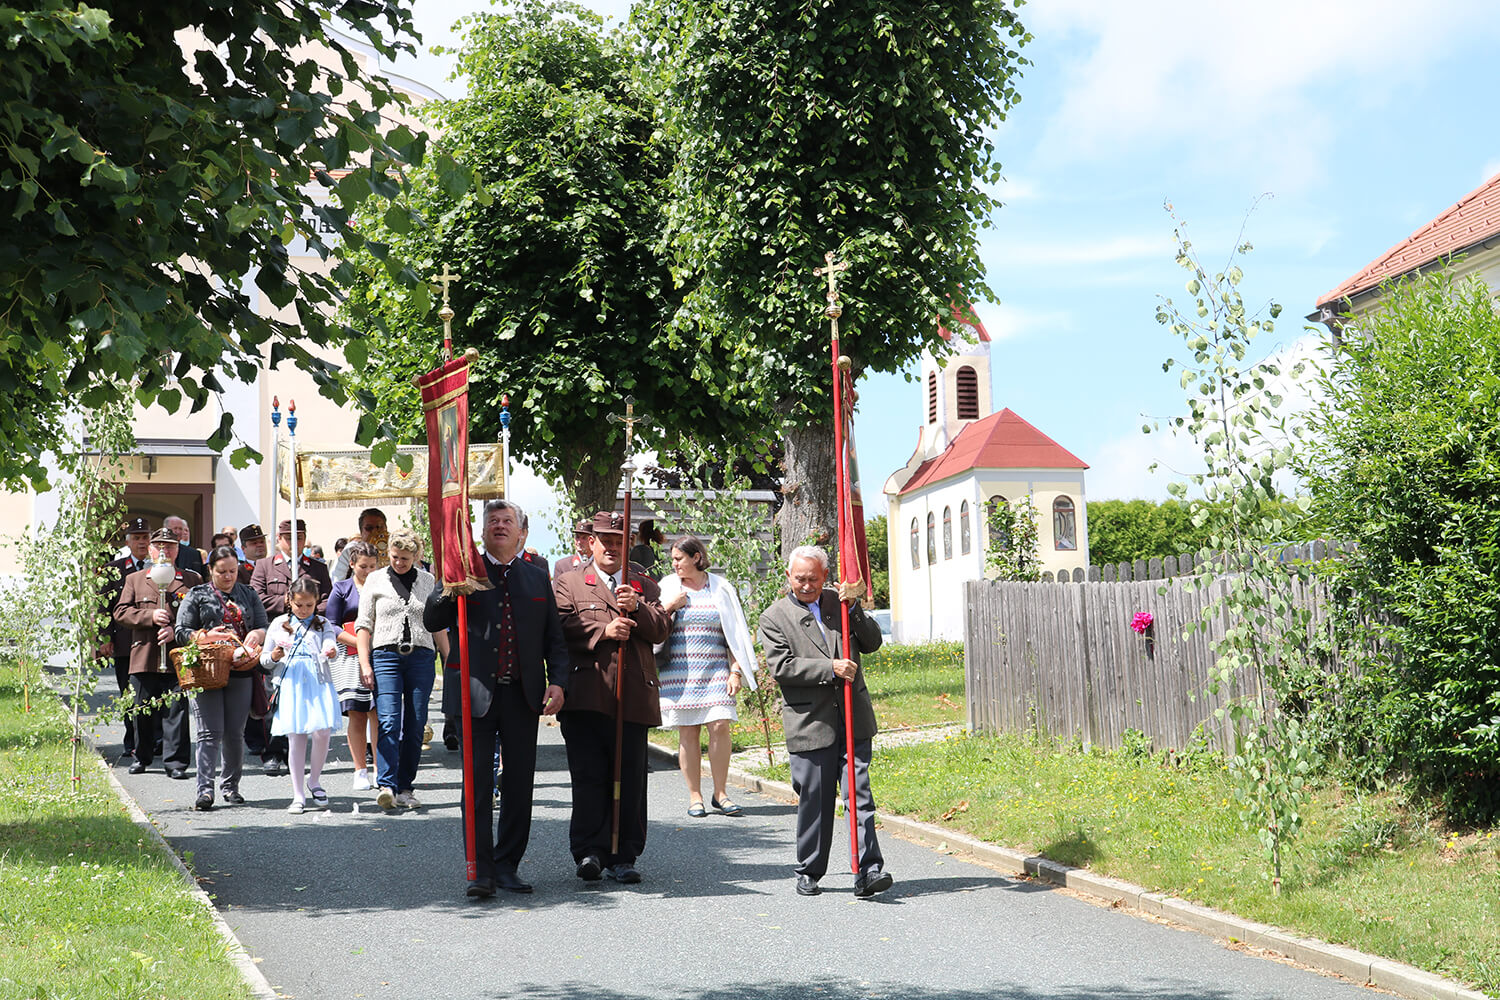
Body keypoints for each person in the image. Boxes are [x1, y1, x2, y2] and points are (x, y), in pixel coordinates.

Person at [425, 499, 570, 897]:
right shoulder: (465, 573)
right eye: (493, 521)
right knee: (476, 785)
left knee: (519, 785)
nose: (500, 526)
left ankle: (508, 866)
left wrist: (557, 682)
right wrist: (448, 585)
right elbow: (432, 620)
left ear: (521, 532)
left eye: (508, 521)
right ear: (483, 530)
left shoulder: (536, 577)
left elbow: (554, 639)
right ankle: (480, 870)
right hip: (473, 695)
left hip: (522, 696)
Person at [756, 544, 892, 898]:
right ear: (788, 576)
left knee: (859, 795)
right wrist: (829, 668)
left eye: (814, 579)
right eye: (800, 579)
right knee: (814, 800)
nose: (806, 586)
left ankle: (868, 870)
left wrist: (855, 607)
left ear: (825, 577)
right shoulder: (774, 617)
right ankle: (810, 869)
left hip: (852, 718)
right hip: (810, 723)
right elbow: (782, 667)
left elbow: (872, 642)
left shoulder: (840, 603)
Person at [552, 511, 671, 884]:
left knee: (630, 778)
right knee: (589, 776)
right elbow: (560, 626)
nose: (613, 547)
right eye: (606, 540)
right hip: (587, 695)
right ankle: (590, 851)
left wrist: (637, 608)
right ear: (592, 542)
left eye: (620, 541)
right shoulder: (570, 581)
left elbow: (661, 628)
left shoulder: (643, 584)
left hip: (633, 696)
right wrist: (604, 631)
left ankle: (624, 854)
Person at [656, 535, 758, 817]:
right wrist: (670, 606)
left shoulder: (720, 587)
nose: (674, 564)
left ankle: (720, 793)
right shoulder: (668, 586)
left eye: (679, 559)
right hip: (678, 672)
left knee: (720, 725)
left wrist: (735, 671)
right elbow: (653, 623)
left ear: (696, 558)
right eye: (673, 559)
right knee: (688, 732)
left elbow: (735, 633)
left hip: (715, 670)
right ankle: (695, 796)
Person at [356, 528, 447, 811]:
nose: (399, 562)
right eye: (395, 557)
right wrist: (365, 663)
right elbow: (363, 624)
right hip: (385, 656)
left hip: (421, 657)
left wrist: (450, 660)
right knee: (388, 720)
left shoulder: (428, 581)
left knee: (416, 724)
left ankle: (406, 787)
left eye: (405, 558)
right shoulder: (375, 579)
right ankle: (386, 785)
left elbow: (437, 625)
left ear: (416, 556)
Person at [176, 545, 269, 811]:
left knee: (234, 733)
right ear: (210, 570)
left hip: (241, 669)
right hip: (207, 670)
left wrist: (257, 635)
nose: (228, 576)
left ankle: (230, 787)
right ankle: (205, 791)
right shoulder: (197, 594)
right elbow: (180, 631)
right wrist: (204, 637)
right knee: (209, 732)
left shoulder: (248, 593)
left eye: (232, 571)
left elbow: (263, 626)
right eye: (222, 572)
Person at [113, 527, 200, 778]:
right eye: (159, 546)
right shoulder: (136, 579)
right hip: (145, 654)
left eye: (170, 546)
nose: (164, 551)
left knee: (176, 710)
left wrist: (176, 629)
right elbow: (121, 612)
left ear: (178, 550)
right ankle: (142, 756)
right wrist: (149, 616)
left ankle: (176, 763)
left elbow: (201, 613)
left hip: (177, 655)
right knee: (141, 708)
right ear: (150, 549)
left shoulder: (191, 579)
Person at [250, 518, 332, 776]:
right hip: (279, 632)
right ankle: (273, 753)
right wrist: (291, 604)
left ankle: (297, 757)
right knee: (275, 699)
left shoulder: (317, 567)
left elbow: (326, 598)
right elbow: (257, 597)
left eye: (299, 537)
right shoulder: (265, 565)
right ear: (279, 539)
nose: (294, 542)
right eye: (288, 537)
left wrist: (308, 609)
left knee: (303, 701)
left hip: (309, 633)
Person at [263, 576, 342, 814]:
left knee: (322, 732)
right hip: (292, 682)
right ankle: (298, 793)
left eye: (309, 605)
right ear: (289, 600)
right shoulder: (279, 623)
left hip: (318, 682)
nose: (304, 610)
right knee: (296, 736)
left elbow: (331, 645)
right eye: (299, 605)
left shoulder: (322, 623)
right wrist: (275, 656)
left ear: (316, 602)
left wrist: (330, 651)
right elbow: (265, 659)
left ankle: (314, 780)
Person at [326, 539, 380, 791]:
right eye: (363, 566)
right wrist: (360, 642)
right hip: (349, 655)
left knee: (379, 713)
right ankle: (360, 769)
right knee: (357, 713)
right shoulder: (342, 588)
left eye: (372, 566)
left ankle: (380, 768)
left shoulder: (383, 585)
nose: (367, 571)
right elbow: (331, 624)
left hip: (380, 652)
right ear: (352, 564)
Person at [103, 516, 152, 763]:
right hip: (124, 643)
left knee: (152, 693)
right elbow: (104, 607)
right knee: (127, 693)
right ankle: (130, 740)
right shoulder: (114, 569)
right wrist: (104, 638)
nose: (142, 542)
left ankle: (154, 741)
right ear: (128, 542)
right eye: (137, 538)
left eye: (146, 537)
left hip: (152, 643)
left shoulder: (159, 568)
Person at [331, 507, 389, 582]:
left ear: (386, 529)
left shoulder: (394, 551)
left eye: (379, 527)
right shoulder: (350, 552)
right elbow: (339, 582)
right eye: (369, 528)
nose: (375, 532)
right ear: (361, 532)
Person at [165, 515, 207, 580]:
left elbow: (199, 578)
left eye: (180, 529)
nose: (178, 532)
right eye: (175, 528)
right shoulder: (158, 551)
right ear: (166, 529)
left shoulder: (194, 553)